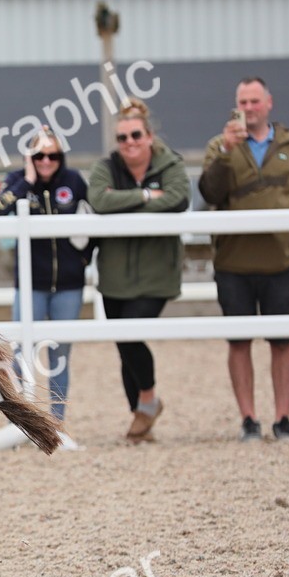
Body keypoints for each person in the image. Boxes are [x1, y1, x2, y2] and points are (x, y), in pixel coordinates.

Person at [199, 77, 289, 442]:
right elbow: (209, 193)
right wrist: (226, 151)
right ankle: (249, 419)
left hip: (282, 265)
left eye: (255, 101)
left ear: (269, 103)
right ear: (235, 105)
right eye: (243, 102)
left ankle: (283, 419)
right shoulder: (218, 146)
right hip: (232, 265)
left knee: (282, 342)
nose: (249, 108)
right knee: (238, 343)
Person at [89, 99, 190, 444]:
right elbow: (99, 200)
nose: (129, 142)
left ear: (149, 136)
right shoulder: (106, 166)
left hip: (156, 273)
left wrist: (123, 200)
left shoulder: (171, 164)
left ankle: (148, 400)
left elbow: (178, 198)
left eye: (135, 135)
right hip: (114, 273)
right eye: (122, 137)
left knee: (132, 334)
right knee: (123, 342)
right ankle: (140, 414)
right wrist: (147, 195)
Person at [0, 126, 92, 424]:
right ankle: (25, 421)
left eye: (52, 155)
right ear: (30, 157)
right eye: (39, 155)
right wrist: (28, 180)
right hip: (30, 284)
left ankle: (57, 422)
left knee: (59, 356)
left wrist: (84, 259)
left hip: (69, 285)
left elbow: (94, 218)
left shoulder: (74, 181)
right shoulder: (18, 180)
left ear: (61, 156)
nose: (46, 161)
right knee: (22, 352)